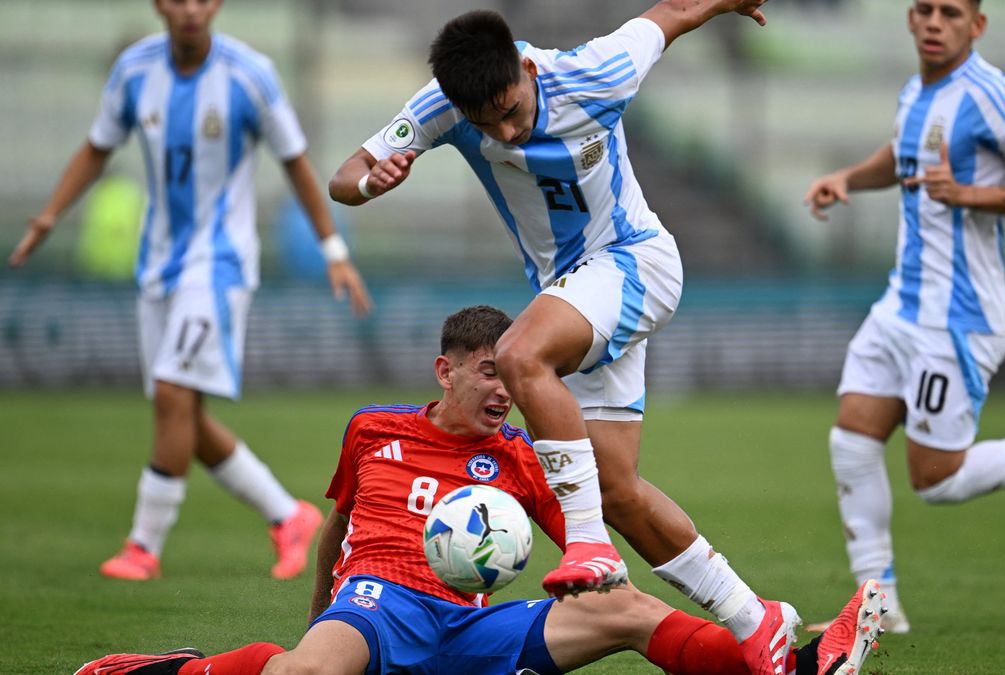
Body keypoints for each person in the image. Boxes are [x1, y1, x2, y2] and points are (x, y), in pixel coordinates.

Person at [327, 3, 801, 672]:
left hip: (635, 261)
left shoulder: (596, 72)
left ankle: (588, 545)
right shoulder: (444, 104)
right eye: (486, 123)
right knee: (616, 490)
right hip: (576, 294)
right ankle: (757, 620)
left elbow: (672, 12)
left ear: (526, 69)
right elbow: (344, 176)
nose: (506, 132)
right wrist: (368, 183)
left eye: (510, 111)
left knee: (519, 354)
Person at [74, 305, 885, 675]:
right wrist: (324, 619)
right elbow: (336, 528)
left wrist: (714, 606)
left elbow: (597, 552)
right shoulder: (372, 430)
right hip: (378, 608)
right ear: (447, 369)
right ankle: (174, 670)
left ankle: (789, 657)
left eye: (515, 377)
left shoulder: (526, 458)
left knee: (630, 611)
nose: (507, 391)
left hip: (471, 628)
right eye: (491, 373)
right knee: (303, 672)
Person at [9, 0, 373, 582]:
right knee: (180, 413)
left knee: (172, 392)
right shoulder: (134, 70)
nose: (190, 9)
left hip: (219, 264)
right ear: (160, 5)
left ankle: (143, 546)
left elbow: (296, 162)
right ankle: (289, 516)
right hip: (158, 265)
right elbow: (98, 147)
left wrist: (333, 249)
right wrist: (50, 216)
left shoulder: (249, 74)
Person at [801, 0, 1005, 634]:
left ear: (976, 26)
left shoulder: (992, 95)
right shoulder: (916, 91)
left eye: (950, 13)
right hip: (902, 303)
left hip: (958, 317)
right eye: (924, 9)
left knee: (936, 480)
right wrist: (849, 178)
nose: (934, 22)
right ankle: (879, 607)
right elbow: (902, 153)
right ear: (908, 18)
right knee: (852, 440)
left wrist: (970, 194)